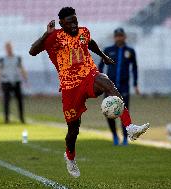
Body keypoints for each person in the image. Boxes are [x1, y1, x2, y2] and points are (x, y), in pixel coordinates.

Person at [29, 7, 149, 178]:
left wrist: (103, 56)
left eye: (75, 21)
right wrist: (46, 34)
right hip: (70, 88)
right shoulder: (54, 37)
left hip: (88, 76)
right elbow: (32, 51)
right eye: (70, 22)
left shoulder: (83, 31)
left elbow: (89, 42)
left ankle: (129, 127)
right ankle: (70, 157)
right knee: (73, 130)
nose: (74, 25)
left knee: (108, 84)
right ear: (62, 23)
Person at [98, 28, 140, 146]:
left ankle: (125, 138)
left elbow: (135, 68)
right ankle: (115, 136)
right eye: (117, 36)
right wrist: (100, 83)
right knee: (108, 111)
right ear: (114, 37)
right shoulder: (108, 50)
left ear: (124, 37)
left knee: (123, 111)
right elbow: (100, 67)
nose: (119, 38)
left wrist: (135, 84)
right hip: (109, 87)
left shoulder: (130, 51)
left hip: (124, 87)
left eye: (121, 36)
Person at [0, 42, 27, 124]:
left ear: (12, 48)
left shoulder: (17, 58)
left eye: (10, 47)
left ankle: (21, 118)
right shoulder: (2, 59)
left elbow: (22, 68)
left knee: (20, 100)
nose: (8, 49)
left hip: (16, 81)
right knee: (6, 101)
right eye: (7, 48)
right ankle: (6, 119)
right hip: (6, 82)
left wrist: (25, 78)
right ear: (5, 49)